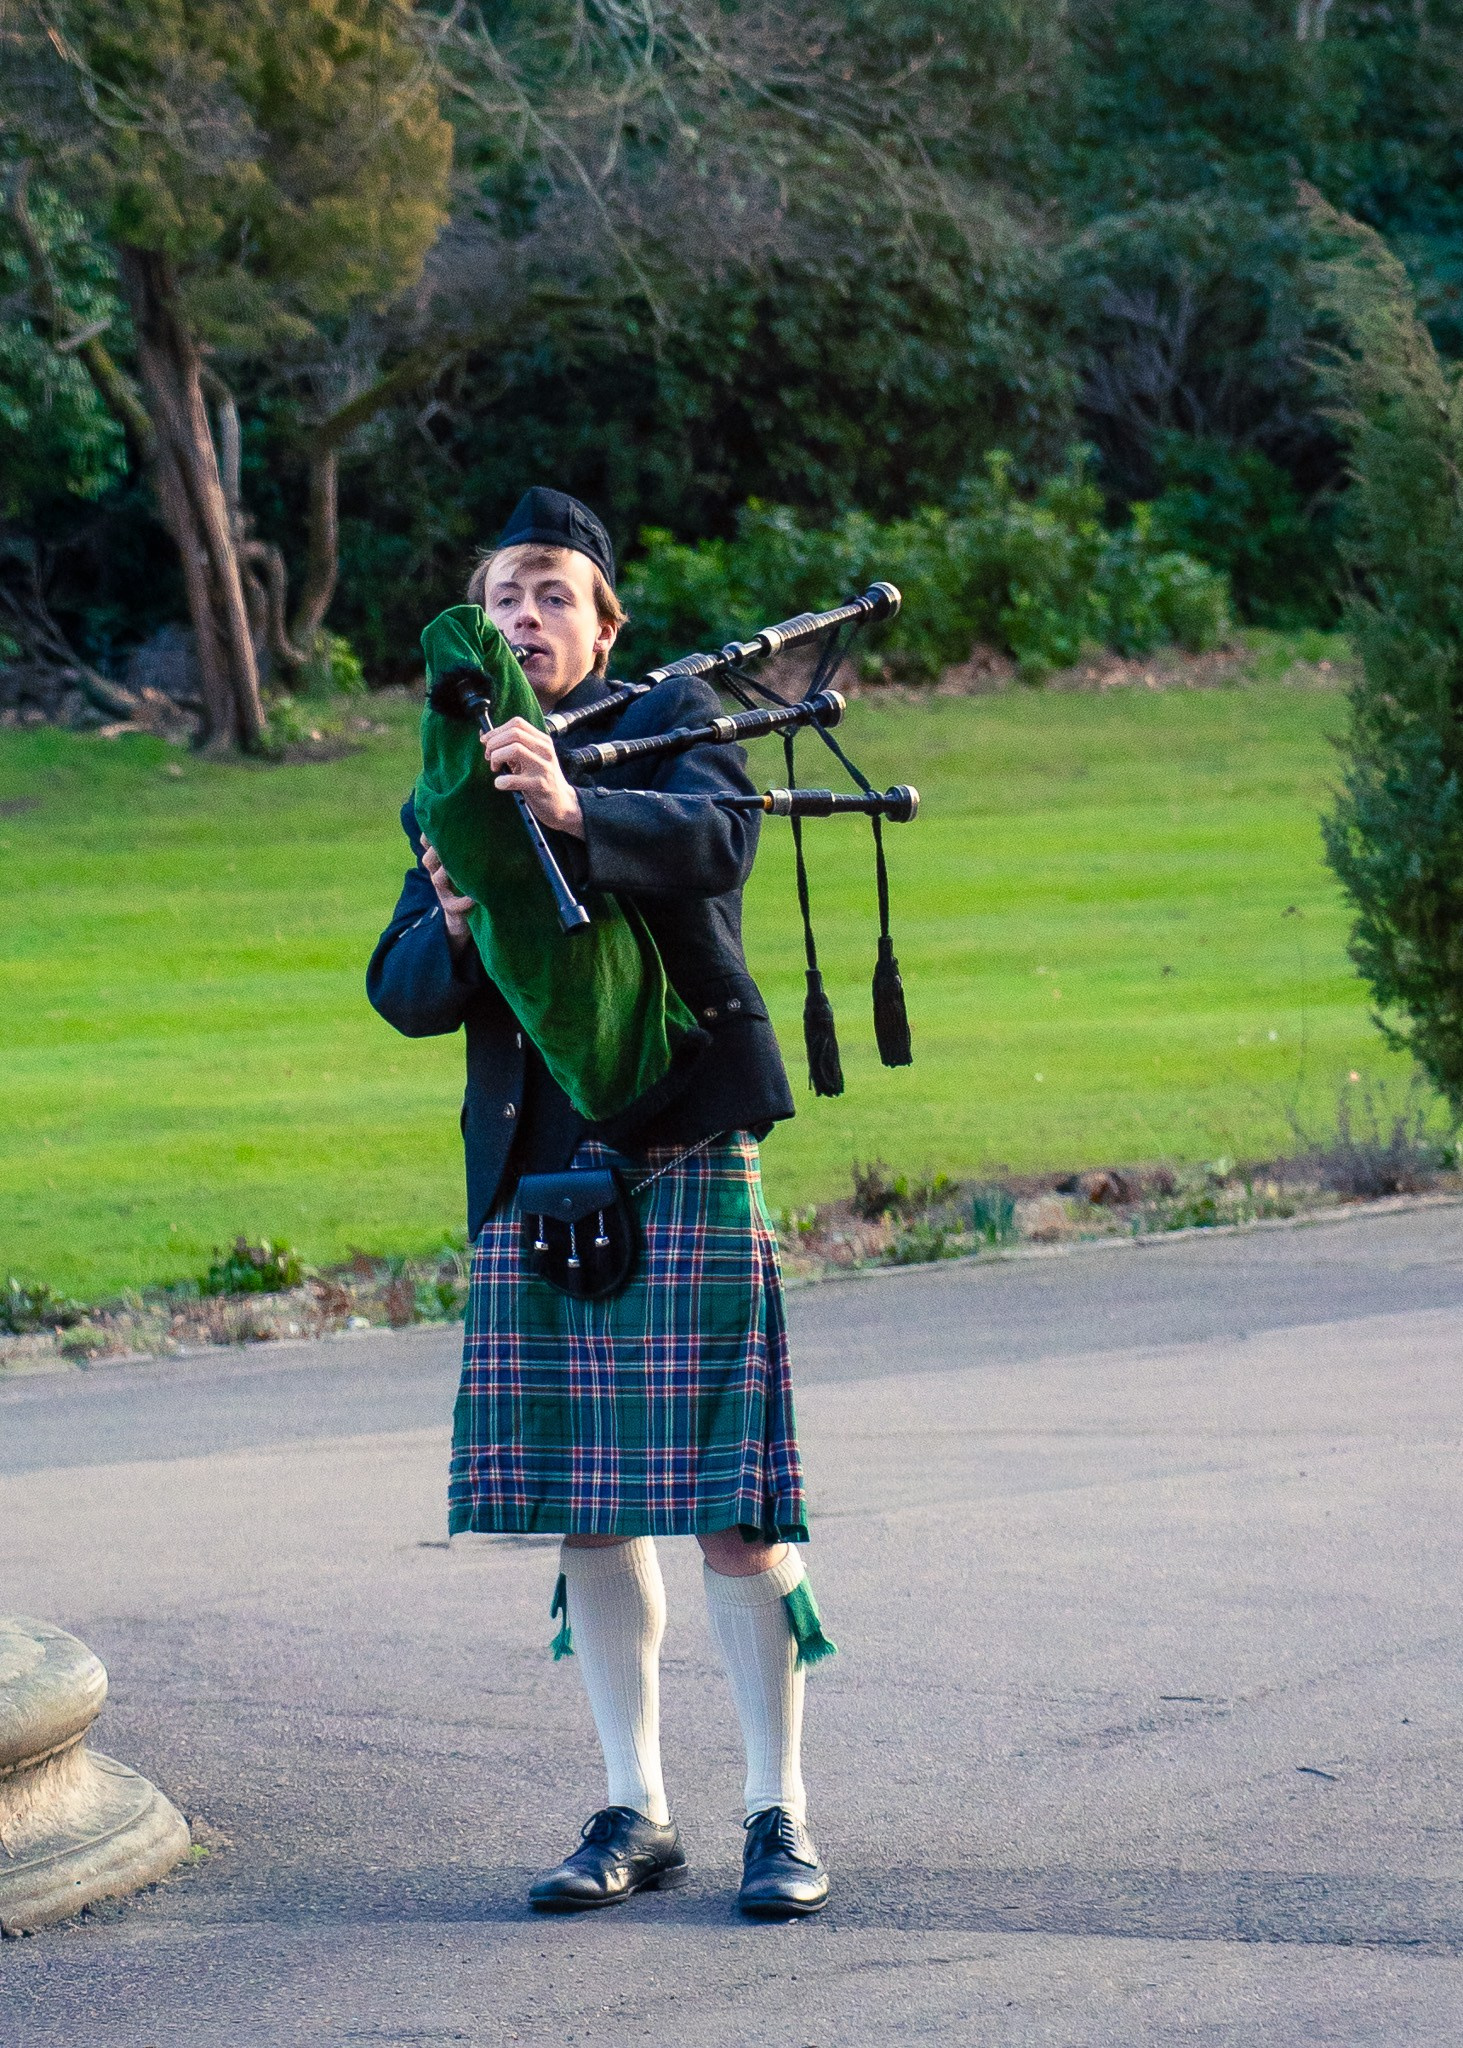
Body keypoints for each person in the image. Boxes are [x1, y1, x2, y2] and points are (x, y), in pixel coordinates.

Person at [367, 487, 833, 1917]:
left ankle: (777, 1814)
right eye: (505, 597)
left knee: (732, 1515)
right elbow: (400, 987)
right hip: (543, 1171)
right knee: (591, 1506)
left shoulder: (674, 714)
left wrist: (574, 805)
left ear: (603, 623)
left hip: (680, 1141)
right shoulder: (456, 770)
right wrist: (458, 925)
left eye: (553, 594)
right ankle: (636, 1810)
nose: (526, 618)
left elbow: (722, 841)